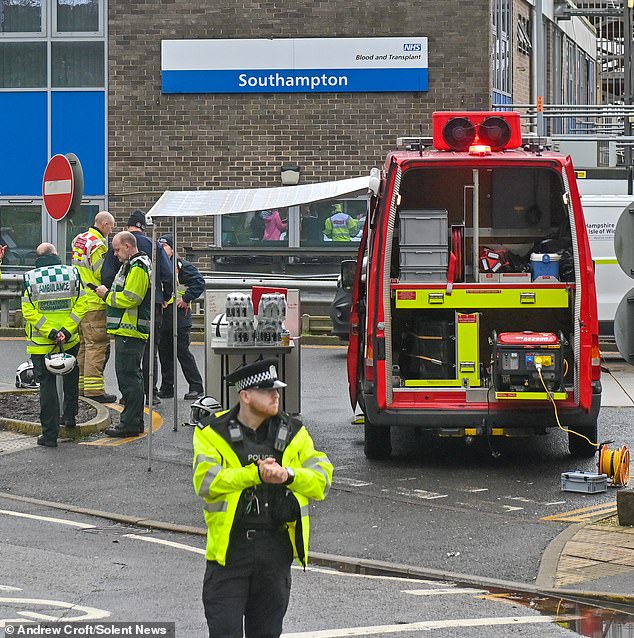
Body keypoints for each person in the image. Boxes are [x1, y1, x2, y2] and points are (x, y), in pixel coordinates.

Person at [193, 358, 333, 638]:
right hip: (230, 553)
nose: (276, 395)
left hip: (275, 551)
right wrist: (254, 475)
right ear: (245, 395)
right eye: (267, 390)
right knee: (224, 632)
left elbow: (322, 480)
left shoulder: (294, 432)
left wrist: (288, 475)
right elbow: (207, 482)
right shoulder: (213, 433)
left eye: (277, 389)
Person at [102, 209, 173, 406]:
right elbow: (167, 274)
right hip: (154, 305)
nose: (116, 253)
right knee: (151, 350)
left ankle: (129, 396)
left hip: (125, 309)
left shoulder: (119, 245)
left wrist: (110, 294)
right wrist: (165, 297)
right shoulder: (153, 245)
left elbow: (107, 274)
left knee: (128, 360)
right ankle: (152, 393)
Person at [21, 243, 88, 447]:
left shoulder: (31, 278)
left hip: (42, 343)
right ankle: (70, 418)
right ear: (56, 255)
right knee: (70, 380)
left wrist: (50, 332)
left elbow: (28, 311)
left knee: (47, 387)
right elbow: (83, 303)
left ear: (38, 257)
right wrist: (66, 331)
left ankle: (50, 435)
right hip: (69, 341)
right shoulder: (72, 273)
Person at [95, 231, 151, 437]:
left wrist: (106, 294)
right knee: (131, 378)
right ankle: (133, 422)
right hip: (128, 329)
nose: (116, 255)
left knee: (129, 378)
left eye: (117, 250)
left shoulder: (138, 266)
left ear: (128, 246)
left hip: (131, 329)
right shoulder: (132, 265)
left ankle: (129, 424)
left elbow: (131, 297)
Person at [71, 211, 116, 403]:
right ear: (104, 224)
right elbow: (102, 272)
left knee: (83, 346)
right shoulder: (98, 245)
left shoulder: (78, 239)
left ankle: (81, 387)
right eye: (111, 226)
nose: (111, 230)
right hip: (94, 301)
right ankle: (95, 391)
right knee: (97, 346)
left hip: (79, 301)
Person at [157, 234, 205, 400]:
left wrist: (186, 298)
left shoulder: (182, 266)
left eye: (165, 246)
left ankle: (196, 387)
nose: (162, 249)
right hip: (164, 317)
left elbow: (199, 282)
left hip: (180, 318)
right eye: (160, 246)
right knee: (164, 354)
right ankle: (167, 387)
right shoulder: (158, 266)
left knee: (182, 353)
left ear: (172, 248)